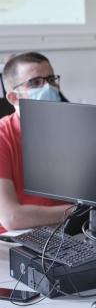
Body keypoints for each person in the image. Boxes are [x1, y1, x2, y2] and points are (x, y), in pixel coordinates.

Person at [0, 52, 73, 233]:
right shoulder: (3, 136)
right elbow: (12, 218)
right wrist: (80, 212)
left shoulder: (73, 129)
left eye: (51, 79)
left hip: (72, 229)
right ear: (14, 98)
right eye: (35, 82)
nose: (48, 87)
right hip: (16, 238)